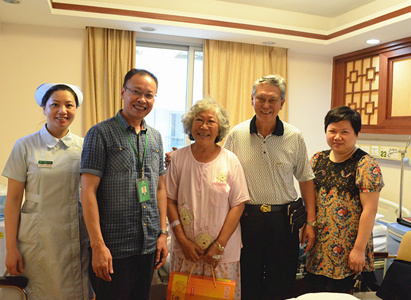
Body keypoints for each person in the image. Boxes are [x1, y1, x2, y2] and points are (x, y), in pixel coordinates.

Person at [223, 74, 316, 300]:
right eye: (261, 99)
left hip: (284, 221)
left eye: (272, 100)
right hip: (247, 219)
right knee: (247, 280)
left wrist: (310, 222)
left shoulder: (294, 136)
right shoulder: (237, 133)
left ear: (282, 103)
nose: (266, 105)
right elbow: (221, 169)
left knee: (282, 283)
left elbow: (305, 179)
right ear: (252, 99)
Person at [80, 68, 168, 300]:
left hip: (147, 244)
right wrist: (98, 245)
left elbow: (160, 188)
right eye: (136, 92)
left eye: (149, 95)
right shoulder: (100, 133)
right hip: (113, 247)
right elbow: (87, 191)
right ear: (122, 92)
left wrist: (162, 234)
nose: (142, 99)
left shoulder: (156, 137)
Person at [2, 83, 92, 299]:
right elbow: (13, 200)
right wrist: (11, 248)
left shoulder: (85, 146)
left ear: (75, 109)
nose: (62, 111)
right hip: (37, 239)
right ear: (44, 109)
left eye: (69, 105)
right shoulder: (24, 146)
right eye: (55, 105)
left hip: (74, 234)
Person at [165, 98, 249, 300]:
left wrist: (219, 244)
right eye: (198, 120)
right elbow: (169, 201)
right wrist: (182, 240)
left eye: (211, 121)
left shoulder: (230, 160)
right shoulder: (177, 159)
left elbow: (238, 204)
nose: (204, 126)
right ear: (190, 125)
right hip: (185, 251)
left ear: (219, 128)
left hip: (222, 254)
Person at [304, 106, 384, 293]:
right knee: (314, 292)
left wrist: (358, 250)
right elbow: (309, 198)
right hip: (319, 246)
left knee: (340, 294)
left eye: (344, 132)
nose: (337, 137)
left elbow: (369, 210)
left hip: (348, 248)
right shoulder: (317, 159)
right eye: (332, 131)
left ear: (356, 134)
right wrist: (308, 225)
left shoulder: (366, 165)